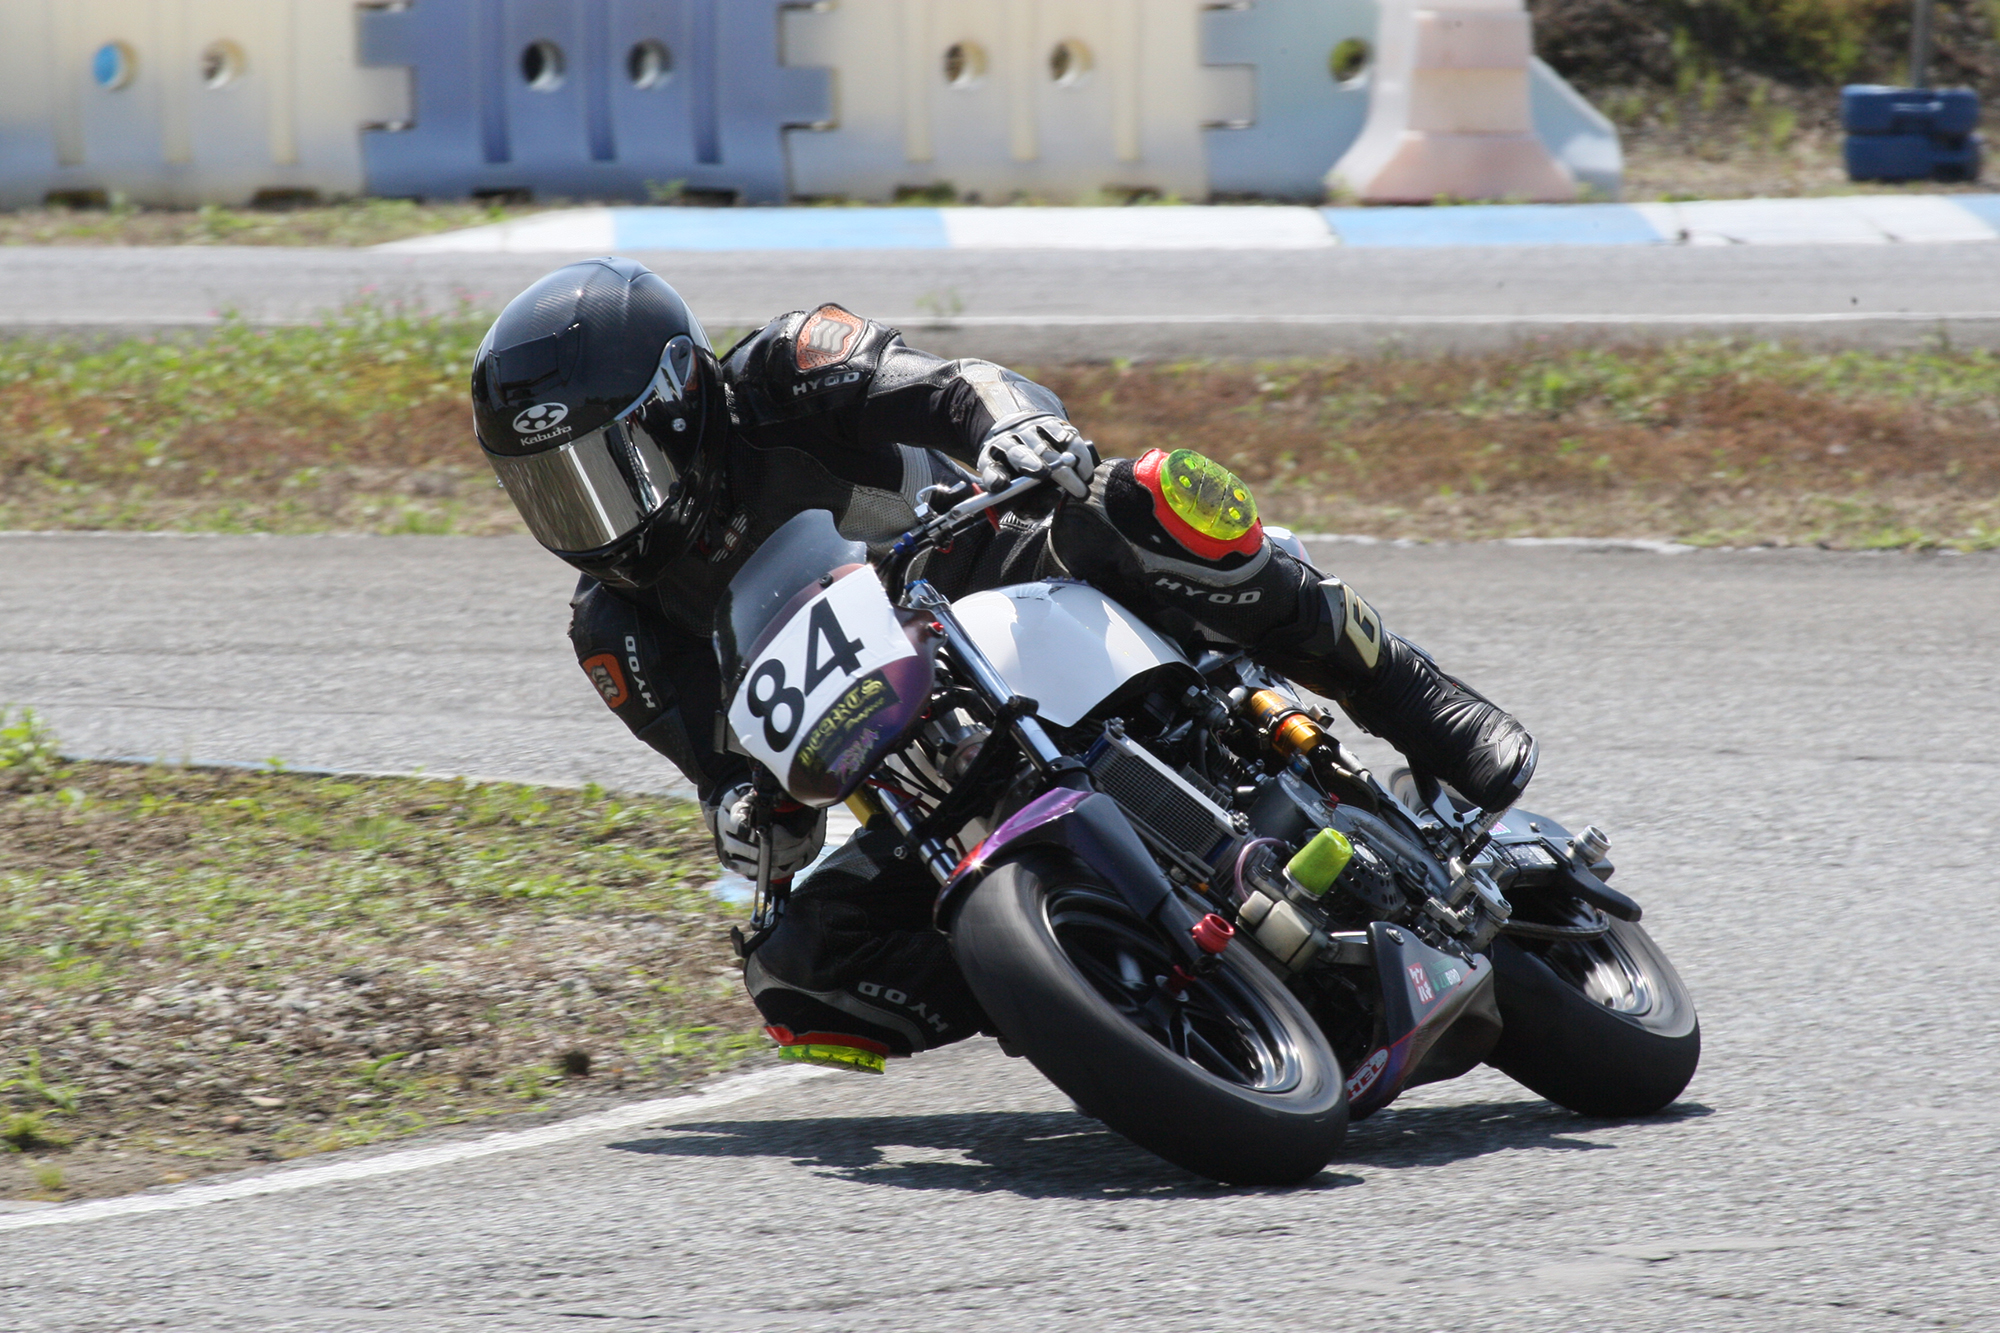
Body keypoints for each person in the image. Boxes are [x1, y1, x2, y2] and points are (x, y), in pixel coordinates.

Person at [471, 257, 1535, 1074]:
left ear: (677, 404)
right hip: (901, 756)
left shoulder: (784, 367)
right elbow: (730, 773)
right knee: (796, 968)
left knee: (1144, 495)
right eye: (550, 489)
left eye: (605, 469)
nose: (587, 516)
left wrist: (1016, 430)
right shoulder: (615, 632)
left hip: (990, 566)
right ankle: (1091, 979)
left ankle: (1406, 688)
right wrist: (752, 822)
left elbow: (957, 385)